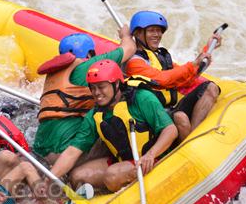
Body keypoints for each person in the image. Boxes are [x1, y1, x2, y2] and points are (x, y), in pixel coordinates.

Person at [49, 59, 178, 193]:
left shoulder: (142, 98)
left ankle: (126, 187)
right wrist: (49, 179)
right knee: (78, 176)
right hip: (125, 161)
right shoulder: (94, 115)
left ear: (116, 84)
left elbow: (170, 130)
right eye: (92, 88)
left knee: (112, 175)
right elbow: (72, 151)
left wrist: (151, 155)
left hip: (154, 157)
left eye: (101, 87)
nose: (96, 93)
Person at [32, 26, 136, 165]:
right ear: (89, 55)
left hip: (41, 154)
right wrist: (125, 35)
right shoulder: (89, 66)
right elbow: (129, 48)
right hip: (64, 153)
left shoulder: (54, 76)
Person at [124, 10, 221, 141]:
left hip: (172, 107)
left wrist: (208, 49)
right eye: (152, 30)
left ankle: (194, 139)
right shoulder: (134, 62)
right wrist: (194, 63)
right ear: (138, 33)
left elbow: (184, 78)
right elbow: (161, 79)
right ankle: (188, 147)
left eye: (159, 31)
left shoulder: (160, 56)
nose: (157, 35)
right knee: (181, 117)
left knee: (211, 88)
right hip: (155, 115)